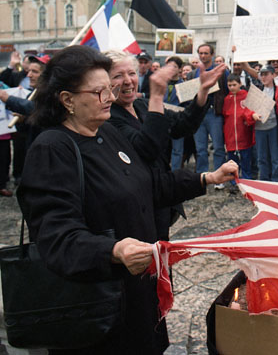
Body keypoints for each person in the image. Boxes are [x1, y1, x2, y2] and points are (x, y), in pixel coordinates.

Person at [17, 45, 237, 354]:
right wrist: (113, 250)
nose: (110, 97)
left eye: (109, 89)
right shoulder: (52, 149)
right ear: (67, 100)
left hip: (137, 293)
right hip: (96, 307)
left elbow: (147, 185)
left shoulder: (107, 132)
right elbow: (56, 237)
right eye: (99, 92)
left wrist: (206, 178)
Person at [105, 50, 224, 239]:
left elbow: (182, 125)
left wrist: (202, 91)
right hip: (138, 209)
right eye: (118, 76)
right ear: (104, 83)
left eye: (131, 73)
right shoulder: (107, 118)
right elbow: (147, 149)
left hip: (161, 201)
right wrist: (157, 97)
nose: (128, 81)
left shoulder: (142, 105)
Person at [193, 44, 229, 187]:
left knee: (218, 147)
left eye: (206, 53)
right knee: (200, 148)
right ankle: (202, 178)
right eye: (201, 53)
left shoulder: (221, 72)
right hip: (198, 114)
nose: (203, 56)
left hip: (214, 113)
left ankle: (219, 178)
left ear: (212, 55)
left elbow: (228, 90)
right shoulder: (194, 73)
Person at [254, 65, 278, 182]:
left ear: (273, 75)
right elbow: (249, 110)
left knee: (275, 157)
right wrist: (252, 115)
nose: (264, 77)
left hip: (274, 127)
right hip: (259, 128)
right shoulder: (257, 90)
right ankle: (264, 180)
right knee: (261, 157)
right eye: (262, 75)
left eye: (266, 74)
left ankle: (275, 181)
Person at [223, 74, 260, 180]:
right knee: (232, 160)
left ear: (240, 84)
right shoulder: (227, 99)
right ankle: (234, 179)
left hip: (244, 134)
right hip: (231, 135)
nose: (232, 87)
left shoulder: (246, 96)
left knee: (246, 159)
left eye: (234, 85)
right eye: (229, 85)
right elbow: (225, 115)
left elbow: (251, 111)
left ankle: (246, 178)